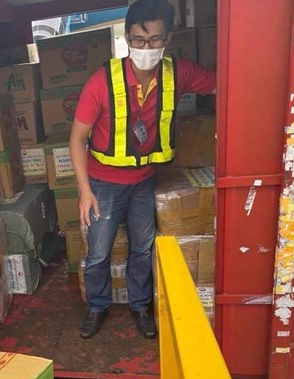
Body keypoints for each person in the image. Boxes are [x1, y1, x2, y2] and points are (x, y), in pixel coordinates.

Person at [69, 0, 216, 339]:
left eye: (154, 40)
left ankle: (139, 306)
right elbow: (76, 139)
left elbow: (221, 83)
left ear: (168, 39)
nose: (146, 48)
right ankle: (97, 307)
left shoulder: (177, 73)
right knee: (99, 252)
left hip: (144, 182)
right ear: (127, 38)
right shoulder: (101, 82)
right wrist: (84, 191)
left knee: (142, 248)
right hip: (103, 183)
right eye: (138, 40)